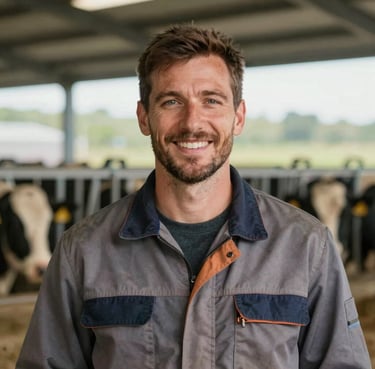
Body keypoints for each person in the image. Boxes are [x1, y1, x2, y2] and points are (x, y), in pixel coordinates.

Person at [16, 24, 371, 369]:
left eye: (212, 100)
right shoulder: (83, 251)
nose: (192, 122)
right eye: (171, 101)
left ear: (238, 117)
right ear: (144, 118)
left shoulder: (307, 246)